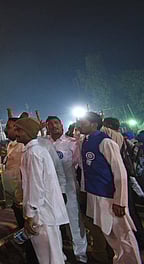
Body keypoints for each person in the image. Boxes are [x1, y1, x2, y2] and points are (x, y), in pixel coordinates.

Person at [77, 112, 141, 263]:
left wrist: (120, 201)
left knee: (124, 236)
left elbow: (120, 173)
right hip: (95, 196)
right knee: (110, 235)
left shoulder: (106, 142)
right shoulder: (85, 141)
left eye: (83, 122)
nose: (80, 125)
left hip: (109, 197)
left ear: (94, 124)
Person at [15, 117, 69, 264]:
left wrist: (30, 215)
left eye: (19, 129)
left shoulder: (33, 153)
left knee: (51, 258)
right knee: (53, 255)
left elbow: (36, 187)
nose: (16, 133)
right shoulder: (34, 151)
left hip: (43, 214)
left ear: (27, 132)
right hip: (45, 213)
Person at [46, 116, 88, 263]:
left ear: (62, 125)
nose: (53, 126)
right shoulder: (44, 144)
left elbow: (81, 166)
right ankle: (58, 256)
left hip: (69, 188)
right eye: (50, 124)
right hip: (50, 190)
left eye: (56, 123)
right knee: (53, 224)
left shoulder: (72, 143)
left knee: (74, 222)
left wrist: (82, 189)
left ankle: (80, 255)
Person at [3, 117, 39, 263]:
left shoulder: (28, 149)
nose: (8, 130)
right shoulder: (12, 145)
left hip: (25, 197)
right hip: (15, 195)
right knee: (22, 227)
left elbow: (30, 179)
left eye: (13, 127)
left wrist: (23, 198)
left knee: (31, 231)